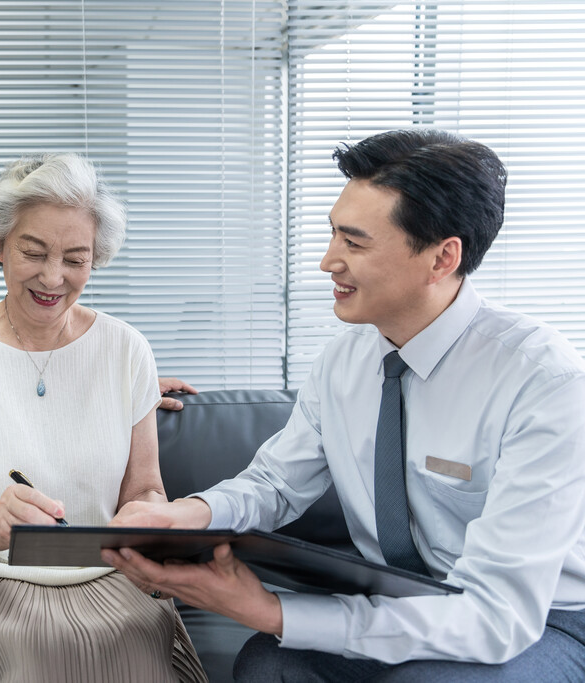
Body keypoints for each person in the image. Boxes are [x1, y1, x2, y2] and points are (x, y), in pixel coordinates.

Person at [104, 129, 585, 681]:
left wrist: (271, 610)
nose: (328, 261)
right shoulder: (344, 360)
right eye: (334, 235)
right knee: (266, 664)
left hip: (543, 617)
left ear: (442, 257)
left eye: (354, 244)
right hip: (400, 602)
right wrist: (185, 516)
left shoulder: (544, 382)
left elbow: (496, 616)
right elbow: (276, 485)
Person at [0, 152, 208, 682]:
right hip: (0, 585)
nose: (54, 277)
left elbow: (145, 488)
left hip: (117, 578)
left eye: (76, 259)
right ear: (0, 246)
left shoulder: (126, 349)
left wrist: (141, 519)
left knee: (132, 655)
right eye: (34, 252)